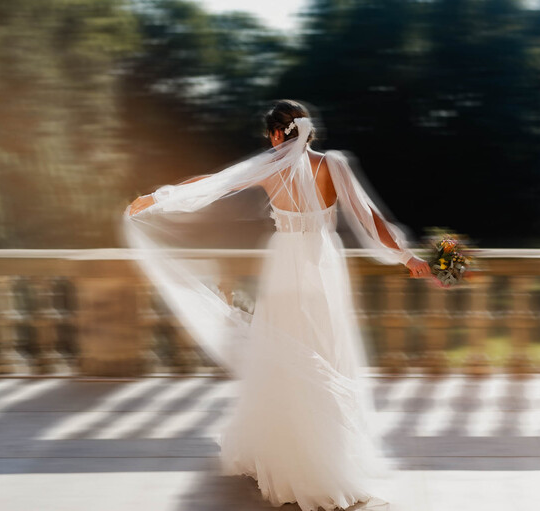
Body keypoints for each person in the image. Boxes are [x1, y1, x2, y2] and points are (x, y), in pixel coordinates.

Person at [122, 100, 431, 511]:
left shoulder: (269, 167)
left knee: (283, 350)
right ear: (307, 130)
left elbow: (213, 183)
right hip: (322, 264)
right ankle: (332, 454)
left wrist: (156, 198)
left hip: (285, 263)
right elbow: (370, 217)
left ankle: (289, 452)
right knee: (324, 347)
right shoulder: (333, 165)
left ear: (274, 134)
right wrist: (407, 257)